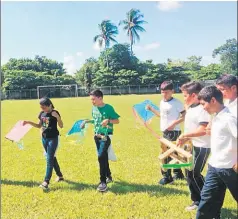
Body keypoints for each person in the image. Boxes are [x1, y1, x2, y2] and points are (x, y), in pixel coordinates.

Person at [196, 85, 237, 219]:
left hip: (230, 168)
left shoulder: (229, 118)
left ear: (213, 100)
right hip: (214, 167)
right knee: (207, 201)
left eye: (203, 104)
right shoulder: (216, 117)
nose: (203, 107)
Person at [177, 81, 211, 211]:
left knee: (194, 173)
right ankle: (197, 200)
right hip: (192, 145)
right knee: (189, 173)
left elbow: (203, 130)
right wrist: (185, 139)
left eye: (185, 96)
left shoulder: (203, 110)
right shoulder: (191, 108)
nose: (184, 98)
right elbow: (190, 127)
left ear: (195, 95)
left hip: (203, 146)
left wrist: (184, 136)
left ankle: (206, 200)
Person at [147, 80, 186, 185]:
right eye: (162, 92)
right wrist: (151, 110)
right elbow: (161, 115)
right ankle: (178, 173)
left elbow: (184, 115)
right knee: (174, 153)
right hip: (165, 132)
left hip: (174, 132)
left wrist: (174, 124)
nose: (164, 94)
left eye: (166, 92)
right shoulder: (162, 102)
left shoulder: (177, 103)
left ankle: (167, 177)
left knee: (166, 154)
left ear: (172, 91)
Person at [81, 90, 120, 192]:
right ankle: (109, 176)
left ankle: (103, 182)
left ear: (100, 98)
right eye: (91, 100)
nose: (92, 101)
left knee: (101, 156)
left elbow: (117, 120)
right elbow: (96, 120)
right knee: (103, 157)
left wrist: (108, 121)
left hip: (106, 136)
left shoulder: (109, 108)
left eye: (93, 99)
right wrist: (86, 121)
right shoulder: (94, 108)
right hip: (96, 136)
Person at [23, 97, 64, 190]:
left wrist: (57, 117)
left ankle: (46, 182)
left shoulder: (55, 113)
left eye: (44, 107)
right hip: (44, 138)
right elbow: (39, 126)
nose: (42, 109)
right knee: (51, 157)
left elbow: (61, 126)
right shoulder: (42, 114)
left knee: (49, 159)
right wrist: (28, 122)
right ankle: (60, 176)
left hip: (53, 139)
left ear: (50, 105)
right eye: (41, 107)